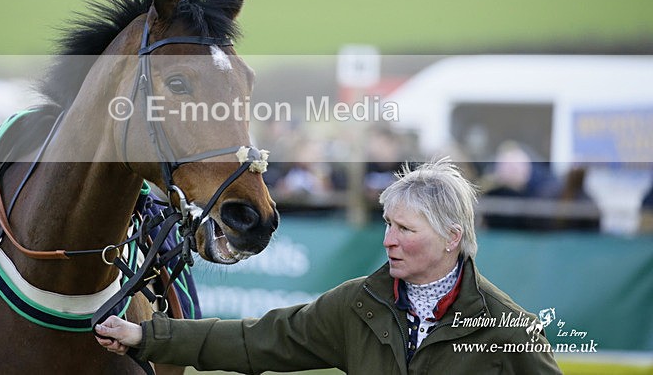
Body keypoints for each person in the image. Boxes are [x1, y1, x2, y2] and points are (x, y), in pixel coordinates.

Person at [95, 159, 562, 374]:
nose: (388, 239)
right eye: (387, 224)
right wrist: (146, 335)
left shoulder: (507, 330)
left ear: (452, 238)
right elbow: (255, 341)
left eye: (405, 229)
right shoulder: (358, 305)